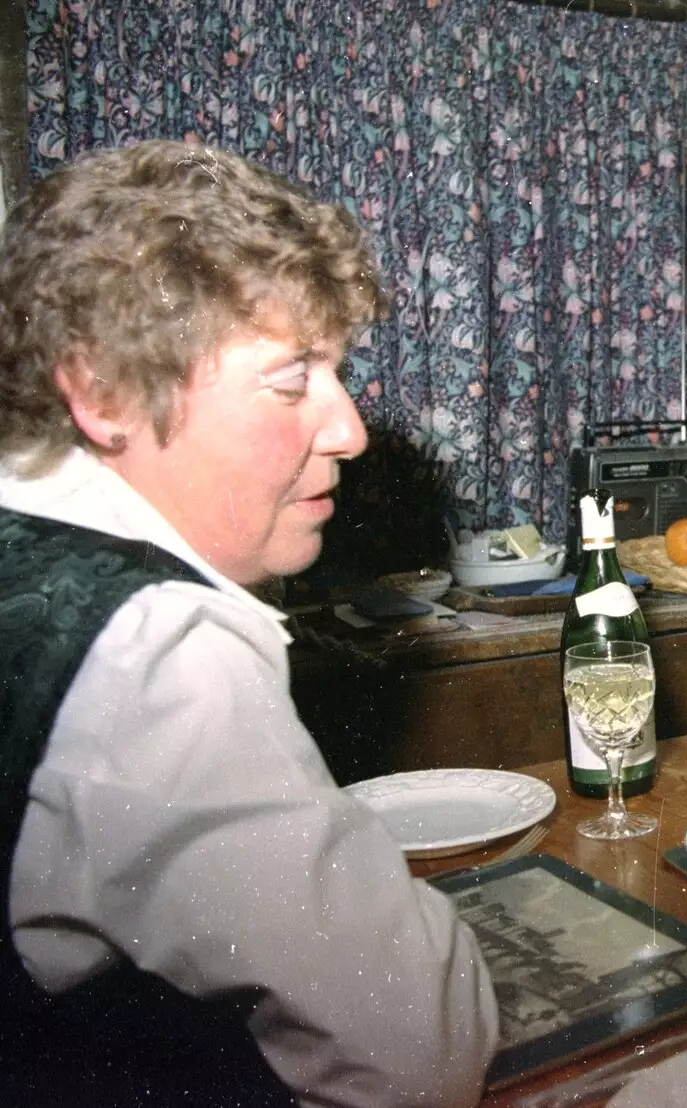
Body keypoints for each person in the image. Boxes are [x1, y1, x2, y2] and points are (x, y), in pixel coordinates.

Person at [0, 142, 497, 1106]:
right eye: (290, 378)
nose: (349, 429)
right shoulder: (157, 656)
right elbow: (418, 1054)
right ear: (100, 392)